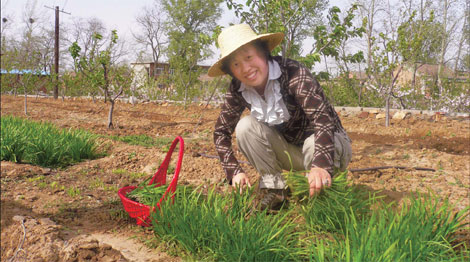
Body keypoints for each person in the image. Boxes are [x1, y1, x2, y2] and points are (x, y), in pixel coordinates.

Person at [208, 24, 352, 210]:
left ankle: (323, 196)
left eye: (249, 57)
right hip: (291, 150)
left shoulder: (292, 72)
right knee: (245, 127)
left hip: (328, 146)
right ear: (231, 71)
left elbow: (323, 119)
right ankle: (275, 191)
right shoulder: (238, 89)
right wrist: (233, 171)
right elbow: (221, 132)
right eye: (236, 64)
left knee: (313, 143)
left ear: (263, 53)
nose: (245, 68)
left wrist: (321, 164)